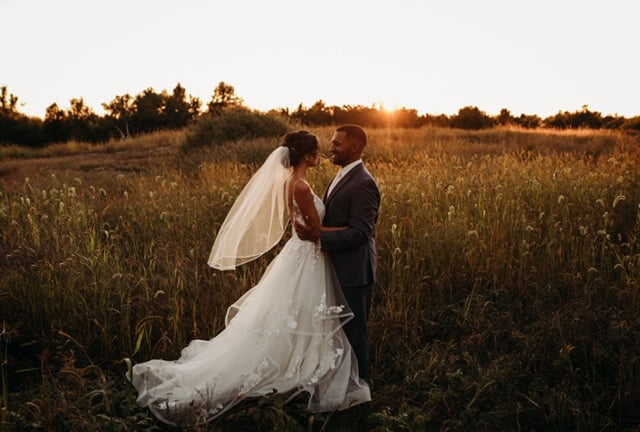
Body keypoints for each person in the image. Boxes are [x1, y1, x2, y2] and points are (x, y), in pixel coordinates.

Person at [127, 131, 371, 426]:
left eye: (333, 145)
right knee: (301, 314)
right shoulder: (302, 186)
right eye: (319, 149)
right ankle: (305, 370)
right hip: (308, 258)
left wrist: (324, 231)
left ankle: (308, 365)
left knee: (295, 315)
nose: (324, 152)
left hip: (305, 256)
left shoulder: (293, 182)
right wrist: (326, 232)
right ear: (306, 155)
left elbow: (310, 228)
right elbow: (313, 229)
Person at [296, 124, 380, 381]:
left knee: (355, 333)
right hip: (334, 266)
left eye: (337, 144)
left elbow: (360, 233)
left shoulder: (364, 183)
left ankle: (360, 389)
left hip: (354, 270)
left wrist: (319, 235)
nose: (330, 148)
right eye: (332, 143)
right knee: (337, 331)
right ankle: (339, 382)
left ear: (355, 147)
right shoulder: (341, 175)